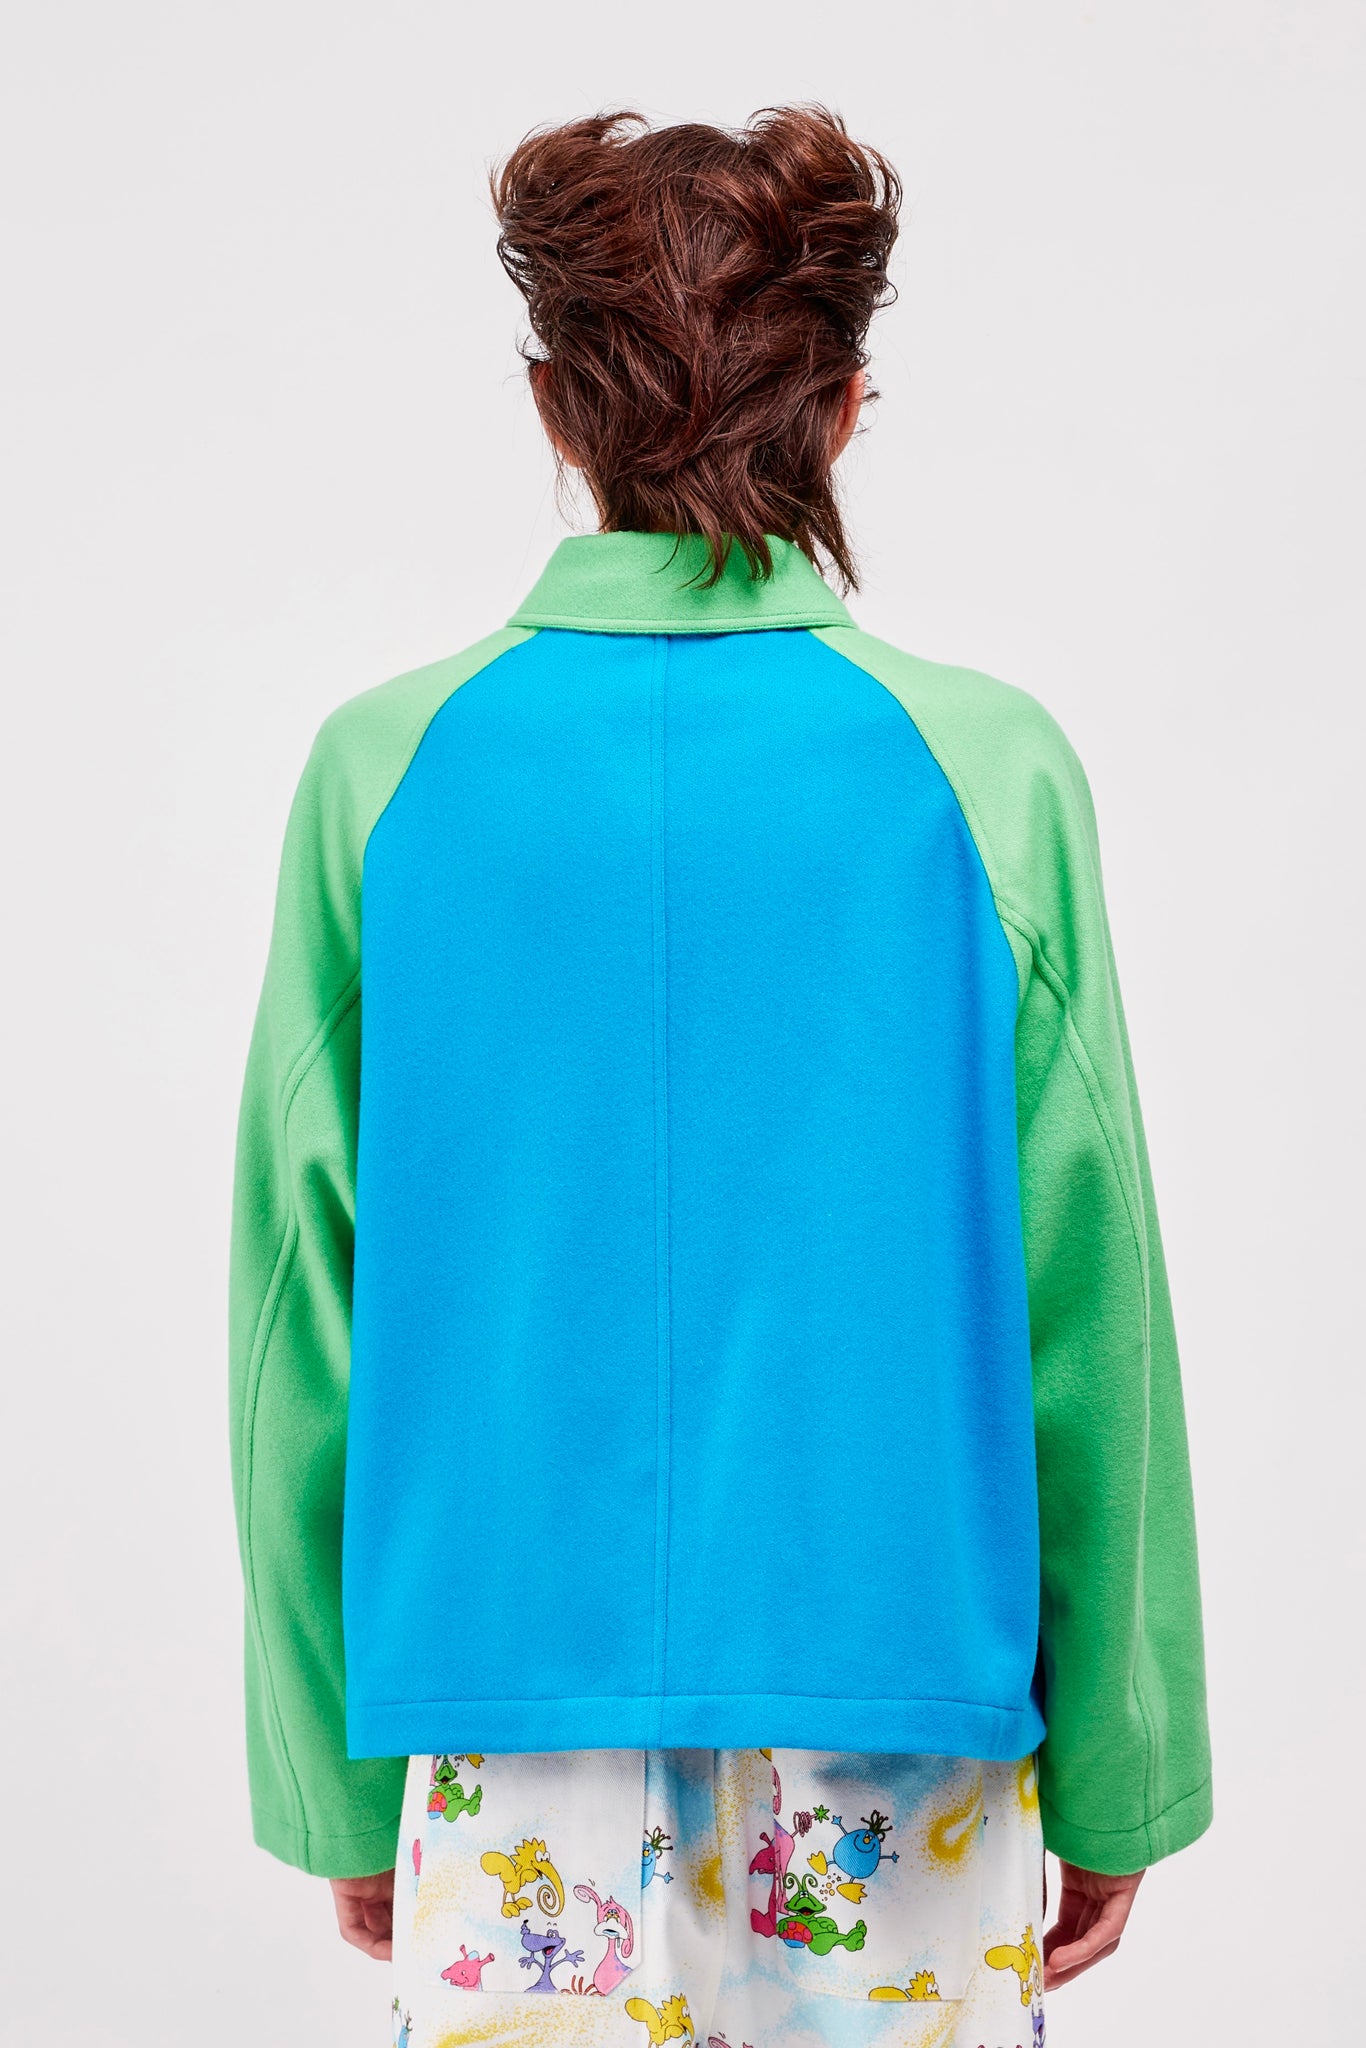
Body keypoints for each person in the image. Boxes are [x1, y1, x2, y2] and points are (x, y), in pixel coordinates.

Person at [229, 106, 1211, 2048]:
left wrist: (329, 1773)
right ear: (843, 407)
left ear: (551, 407)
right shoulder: (982, 769)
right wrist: (1122, 1764)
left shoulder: (385, 770)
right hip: (903, 1710)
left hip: (505, 1706)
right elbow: (1084, 1297)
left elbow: (295, 1316)